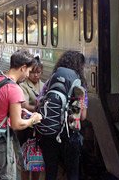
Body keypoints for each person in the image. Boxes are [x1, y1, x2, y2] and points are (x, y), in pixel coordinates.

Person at [0, 49, 42, 180]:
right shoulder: (14, 89)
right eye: (29, 70)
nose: (28, 74)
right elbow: (16, 124)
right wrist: (33, 119)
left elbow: (0, 107)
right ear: (23, 68)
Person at [39, 51, 88, 180]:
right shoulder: (80, 86)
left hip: (49, 132)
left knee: (51, 171)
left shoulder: (50, 82)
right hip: (70, 135)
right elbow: (82, 117)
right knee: (72, 172)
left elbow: (39, 103)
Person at [18, 56, 44, 180]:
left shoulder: (44, 85)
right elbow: (24, 105)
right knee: (25, 163)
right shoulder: (23, 86)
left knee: (37, 162)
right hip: (26, 129)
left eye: (38, 72)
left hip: (38, 130)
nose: (35, 75)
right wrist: (38, 108)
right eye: (33, 72)